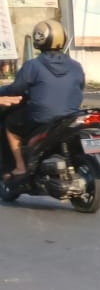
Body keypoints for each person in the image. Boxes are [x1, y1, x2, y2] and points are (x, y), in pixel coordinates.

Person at [0, 19, 85, 179]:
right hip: (71, 117)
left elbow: (15, 90)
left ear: (38, 39)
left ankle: (19, 167)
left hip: (42, 118)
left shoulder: (33, 65)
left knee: (11, 124)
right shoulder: (76, 65)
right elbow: (80, 87)